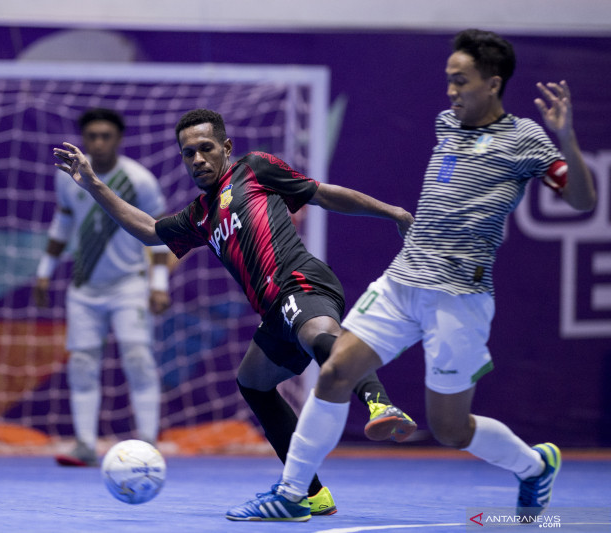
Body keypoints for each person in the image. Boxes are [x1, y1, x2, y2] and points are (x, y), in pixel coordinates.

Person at [225, 29, 597, 522]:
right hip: (401, 283)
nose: (451, 91)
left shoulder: (524, 140)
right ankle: (293, 493)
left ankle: (533, 466)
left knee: (450, 429)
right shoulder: (447, 123)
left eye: (461, 81)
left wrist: (566, 139)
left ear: (493, 82)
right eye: (448, 80)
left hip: (459, 298)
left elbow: (582, 199)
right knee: (336, 372)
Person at [54, 108, 418, 515]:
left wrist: (394, 213)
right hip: (272, 310)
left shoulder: (255, 169)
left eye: (206, 148)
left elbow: (323, 193)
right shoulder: (200, 214)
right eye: (188, 153)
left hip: (299, 282)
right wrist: (94, 186)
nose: (197, 160)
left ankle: (380, 403)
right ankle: (312, 494)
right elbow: (148, 230)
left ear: (226, 147)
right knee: (253, 382)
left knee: (317, 335)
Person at [35, 108, 173, 467]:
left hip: (130, 285)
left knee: (139, 359)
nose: (97, 142)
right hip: (84, 289)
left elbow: (159, 235)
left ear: (118, 139)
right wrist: (44, 270)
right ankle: (84, 445)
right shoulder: (69, 177)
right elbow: (62, 224)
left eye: (105, 136)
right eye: (91, 136)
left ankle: (148, 446)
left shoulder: (139, 180)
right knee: (81, 364)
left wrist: (159, 284)